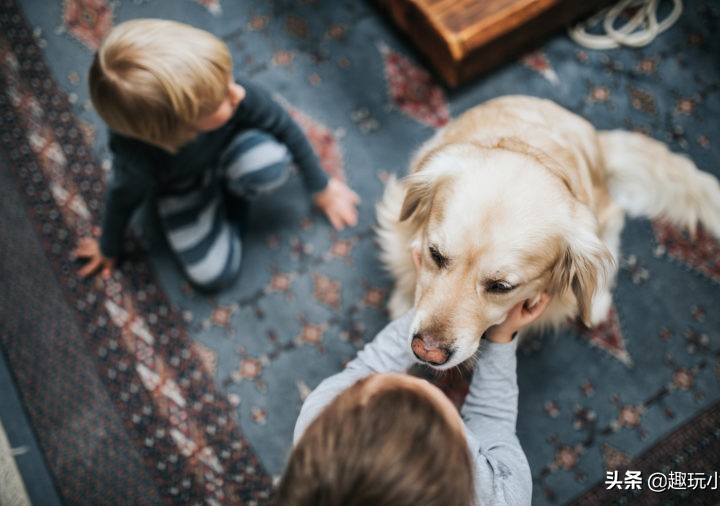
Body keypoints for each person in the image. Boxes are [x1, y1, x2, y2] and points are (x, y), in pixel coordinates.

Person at [74, 19, 360, 290]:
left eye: (228, 79)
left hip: (233, 146)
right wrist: (108, 247)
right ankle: (223, 205)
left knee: (271, 164)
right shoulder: (138, 162)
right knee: (213, 275)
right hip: (182, 185)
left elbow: (286, 127)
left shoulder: (237, 96)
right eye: (220, 98)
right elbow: (120, 200)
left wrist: (322, 187)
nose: (237, 93)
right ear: (178, 128)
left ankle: (230, 193)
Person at [277, 294, 550, 506]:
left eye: (375, 383)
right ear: (467, 466)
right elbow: (492, 419)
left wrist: (429, 301)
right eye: (432, 395)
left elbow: (370, 364)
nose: (418, 376)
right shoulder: (505, 493)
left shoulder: (319, 418)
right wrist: (500, 338)